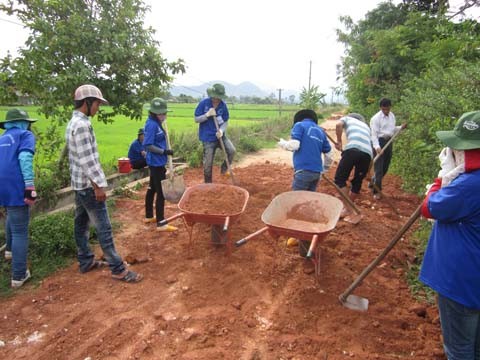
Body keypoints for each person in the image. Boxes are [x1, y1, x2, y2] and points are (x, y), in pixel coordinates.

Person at [66, 84, 142, 283]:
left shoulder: (73, 122)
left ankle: (86, 260)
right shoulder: (82, 125)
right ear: (87, 102)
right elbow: (86, 159)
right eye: (97, 103)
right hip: (89, 186)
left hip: (79, 184)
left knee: (81, 223)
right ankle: (118, 268)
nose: (98, 108)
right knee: (104, 227)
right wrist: (98, 186)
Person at [420, 110, 480, 360]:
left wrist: (440, 179)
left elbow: (429, 207)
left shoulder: (468, 186)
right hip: (473, 279)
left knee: (459, 350)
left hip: (461, 281)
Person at [277, 109, 333, 257]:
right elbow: (329, 154)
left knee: (296, 204)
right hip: (316, 174)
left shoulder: (299, 126)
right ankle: (307, 236)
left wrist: (283, 143)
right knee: (307, 203)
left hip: (303, 172)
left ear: (299, 119)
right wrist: (324, 169)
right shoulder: (320, 132)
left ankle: (297, 236)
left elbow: (294, 145)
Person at [0, 109, 37, 288]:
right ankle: (19, 274)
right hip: (16, 184)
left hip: (2, 186)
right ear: (24, 122)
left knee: (10, 214)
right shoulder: (25, 135)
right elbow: (24, 157)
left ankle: (9, 251)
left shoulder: (3, 138)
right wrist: (29, 185)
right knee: (20, 230)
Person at [142, 97, 177, 232]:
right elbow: (148, 145)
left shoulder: (156, 123)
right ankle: (161, 223)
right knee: (161, 192)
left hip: (156, 162)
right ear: (156, 113)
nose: (165, 115)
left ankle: (149, 216)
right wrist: (164, 151)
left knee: (152, 189)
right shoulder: (151, 125)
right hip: (156, 163)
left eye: (165, 113)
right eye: (163, 113)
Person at [334, 113, 372, 222]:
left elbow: (338, 125)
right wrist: (368, 172)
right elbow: (370, 151)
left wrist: (339, 141)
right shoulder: (366, 127)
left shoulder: (346, 118)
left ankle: (351, 211)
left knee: (340, 179)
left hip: (352, 149)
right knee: (357, 181)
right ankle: (347, 208)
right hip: (367, 154)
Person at [194, 83, 235, 183]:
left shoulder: (223, 106)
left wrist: (221, 130)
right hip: (208, 138)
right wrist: (207, 115)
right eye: (215, 97)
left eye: (219, 97)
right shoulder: (204, 103)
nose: (216, 99)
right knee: (208, 163)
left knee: (231, 150)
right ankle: (208, 183)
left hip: (220, 136)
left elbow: (225, 121)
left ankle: (224, 169)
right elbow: (196, 119)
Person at [369, 98, 406, 199]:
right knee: (379, 169)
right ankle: (377, 191)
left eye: (388, 109)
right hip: (379, 142)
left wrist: (400, 128)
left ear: (390, 107)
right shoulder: (375, 118)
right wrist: (377, 147)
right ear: (381, 108)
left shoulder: (392, 116)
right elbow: (374, 134)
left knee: (386, 166)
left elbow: (392, 130)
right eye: (384, 109)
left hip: (389, 142)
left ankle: (373, 181)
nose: (386, 111)